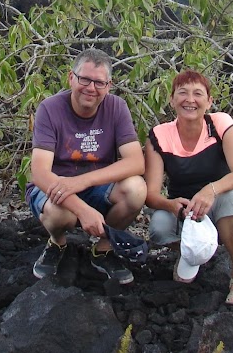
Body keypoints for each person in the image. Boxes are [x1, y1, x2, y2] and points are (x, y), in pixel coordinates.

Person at [27, 48, 147, 283]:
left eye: (99, 83)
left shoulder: (116, 107)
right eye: (85, 79)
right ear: (71, 78)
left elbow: (136, 161)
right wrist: (82, 210)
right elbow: (40, 172)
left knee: (136, 189)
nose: (91, 88)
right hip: (56, 185)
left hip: (97, 185)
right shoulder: (50, 109)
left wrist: (84, 181)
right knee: (61, 215)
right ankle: (57, 243)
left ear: (108, 85)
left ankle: (103, 249)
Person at [144, 69, 233, 306]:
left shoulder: (221, 124)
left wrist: (210, 191)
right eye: (182, 93)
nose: (190, 100)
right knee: (159, 227)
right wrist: (171, 205)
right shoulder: (159, 135)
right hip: (182, 208)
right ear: (172, 100)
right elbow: (151, 195)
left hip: (218, 200)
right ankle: (190, 252)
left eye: (198, 94)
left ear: (209, 101)